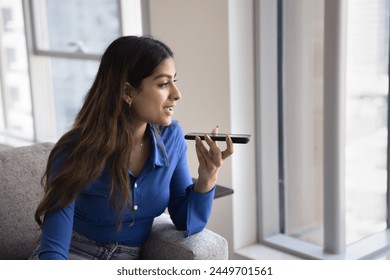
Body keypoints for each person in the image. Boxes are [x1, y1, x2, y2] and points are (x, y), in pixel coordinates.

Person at [30, 36, 234, 260]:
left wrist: (207, 179)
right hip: (75, 252)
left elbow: (185, 220)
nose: (177, 94)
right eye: (164, 83)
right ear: (127, 91)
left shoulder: (171, 137)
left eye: (174, 81)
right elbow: (54, 250)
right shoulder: (73, 150)